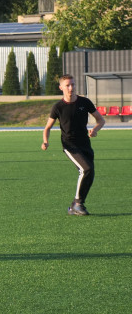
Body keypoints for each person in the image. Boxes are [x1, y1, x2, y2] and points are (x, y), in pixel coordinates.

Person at [42, 74, 105, 215]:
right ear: (61, 88)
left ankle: (75, 206)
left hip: (85, 143)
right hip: (70, 145)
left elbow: (100, 120)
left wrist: (95, 130)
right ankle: (77, 204)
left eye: (73, 84)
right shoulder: (58, 107)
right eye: (68, 85)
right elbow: (47, 128)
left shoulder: (85, 102)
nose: (71, 88)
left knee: (90, 173)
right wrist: (45, 141)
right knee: (86, 169)